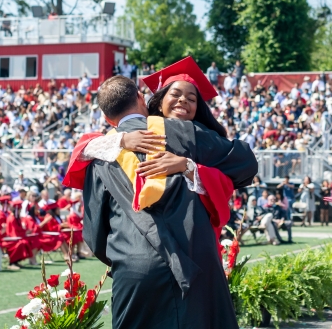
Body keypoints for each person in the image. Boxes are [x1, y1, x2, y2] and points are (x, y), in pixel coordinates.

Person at [81, 70, 257, 328]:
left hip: (134, 265)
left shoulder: (99, 153)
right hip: (196, 259)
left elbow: (95, 233)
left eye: (191, 98)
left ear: (107, 119)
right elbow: (246, 163)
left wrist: (126, 259)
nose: (183, 102)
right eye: (175, 94)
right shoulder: (187, 133)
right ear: (145, 98)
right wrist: (190, 164)